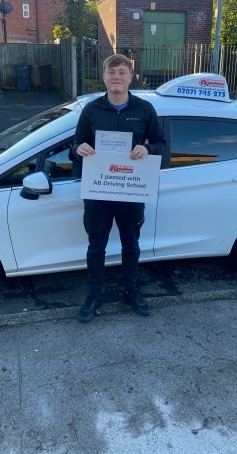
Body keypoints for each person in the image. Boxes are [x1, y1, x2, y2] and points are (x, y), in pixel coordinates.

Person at [73, 54, 166, 323]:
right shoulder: (91, 110)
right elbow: (75, 147)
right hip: (98, 191)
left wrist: (147, 149)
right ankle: (94, 295)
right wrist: (78, 149)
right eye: (112, 72)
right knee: (95, 247)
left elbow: (161, 144)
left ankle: (131, 291)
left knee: (131, 245)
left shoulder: (144, 110)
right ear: (104, 77)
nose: (117, 77)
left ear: (130, 76)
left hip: (131, 190)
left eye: (122, 72)